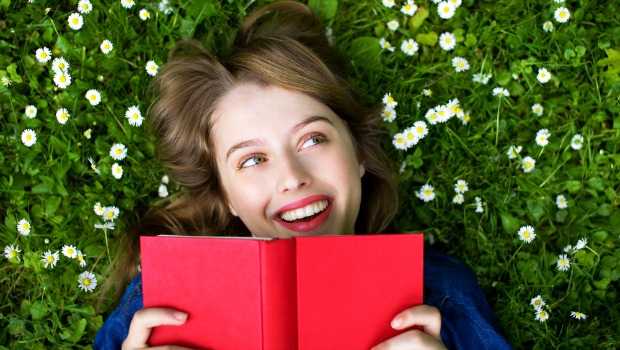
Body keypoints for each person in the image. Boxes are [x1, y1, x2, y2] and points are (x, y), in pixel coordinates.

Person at [94, 1, 512, 349]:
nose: (292, 177)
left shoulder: (444, 297)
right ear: (227, 197)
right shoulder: (154, 306)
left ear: (359, 155)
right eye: (252, 160)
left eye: (312, 139)